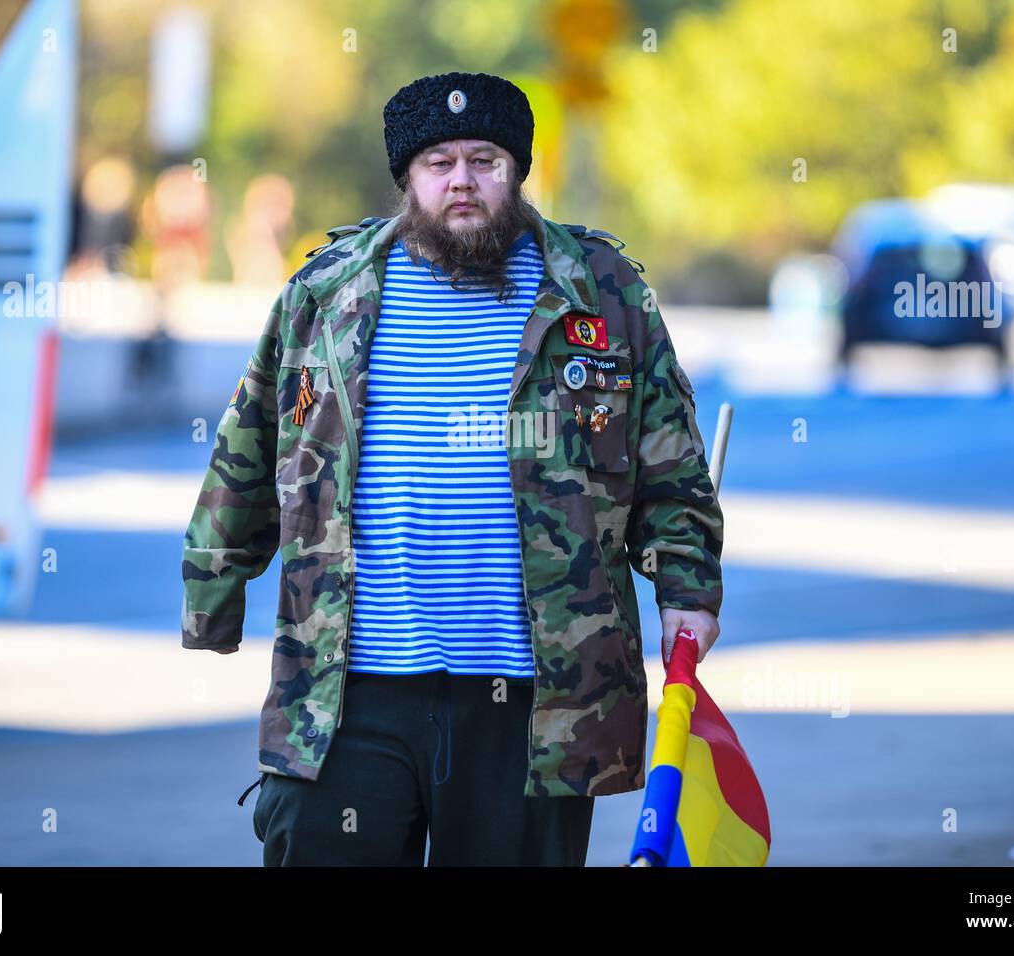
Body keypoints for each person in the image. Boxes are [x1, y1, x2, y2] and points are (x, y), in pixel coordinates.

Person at [180, 71, 724, 866]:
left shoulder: (603, 293)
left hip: (535, 697)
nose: (461, 181)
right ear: (407, 177)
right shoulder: (325, 292)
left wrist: (689, 589)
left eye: (485, 160)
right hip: (348, 689)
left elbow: (670, 469)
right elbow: (250, 443)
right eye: (439, 162)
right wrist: (213, 594)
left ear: (517, 172)